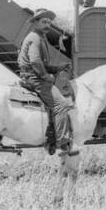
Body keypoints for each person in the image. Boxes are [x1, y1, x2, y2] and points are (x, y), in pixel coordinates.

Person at [18, 10, 72, 154]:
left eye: (49, 22)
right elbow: (35, 61)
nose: (47, 25)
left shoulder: (39, 37)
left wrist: (56, 68)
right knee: (61, 105)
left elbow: (40, 62)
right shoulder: (35, 38)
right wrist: (46, 76)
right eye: (44, 22)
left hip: (30, 75)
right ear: (35, 23)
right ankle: (63, 142)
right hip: (34, 78)